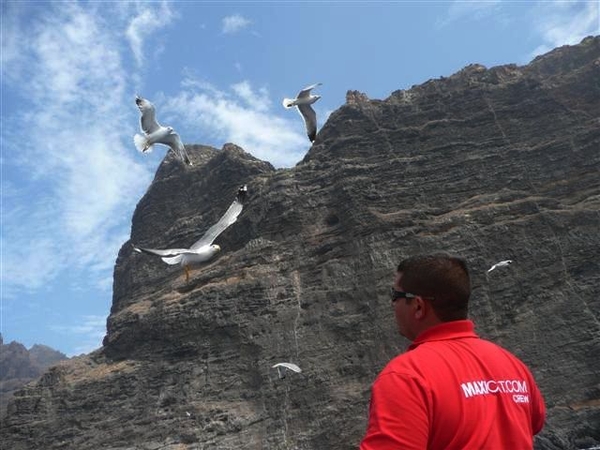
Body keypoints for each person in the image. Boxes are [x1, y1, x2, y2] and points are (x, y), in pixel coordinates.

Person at [360, 253, 545, 450]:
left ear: (418, 306)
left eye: (395, 296)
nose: (392, 304)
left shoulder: (407, 377)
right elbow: (535, 422)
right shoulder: (513, 365)